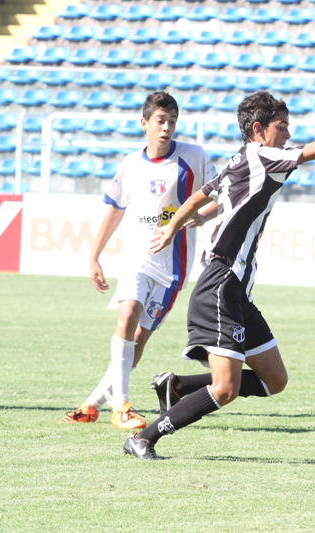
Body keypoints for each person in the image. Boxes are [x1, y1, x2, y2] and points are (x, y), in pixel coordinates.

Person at [123, 70, 315, 459]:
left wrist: (187, 223)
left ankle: (175, 386)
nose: (288, 135)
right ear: (258, 130)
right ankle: (144, 437)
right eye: (282, 127)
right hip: (220, 284)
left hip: (236, 288)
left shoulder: (241, 158)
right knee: (226, 389)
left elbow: (201, 199)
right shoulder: (261, 154)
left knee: (275, 380)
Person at [60, 91, 218, 429]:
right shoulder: (131, 165)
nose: (166, 128)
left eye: (172, 122)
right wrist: (94, 255)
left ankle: (93, 404)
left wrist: (203, 217)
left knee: (138, 340)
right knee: (127, 312)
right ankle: (122, 407)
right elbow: (114, 210)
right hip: (136, 257)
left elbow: (221, 196)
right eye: (160, 121)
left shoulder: (194, 157)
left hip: (172, 270)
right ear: (144, 123)